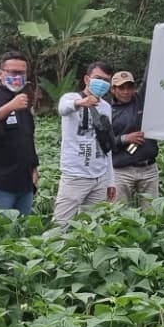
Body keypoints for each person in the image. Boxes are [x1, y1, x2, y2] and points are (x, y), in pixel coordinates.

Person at [0, 51, 40, 215]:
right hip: (0, 182)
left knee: (21, 231)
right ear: (1, 74)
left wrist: (34, 167)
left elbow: (27, 137)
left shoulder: (23, 100)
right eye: (13, 72)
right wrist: (10, 106)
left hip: (24, 182)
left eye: (22, 73)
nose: (18, 76)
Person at [54, 63, 117, 221]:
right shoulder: (71, 98)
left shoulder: (106, 107)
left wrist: (111, 180)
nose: (102, 83)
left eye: (106, 80)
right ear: (87, 79)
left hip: (100, 175)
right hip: (75, 174)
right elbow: (62, 108)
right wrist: (80, 103)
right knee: (61, 223)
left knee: (93, 225)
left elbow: (107, 146)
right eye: (98, 78)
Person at [108, 70, 159, 210]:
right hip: (122, 171)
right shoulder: (107, 111)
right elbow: (103, 141)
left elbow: (149, 76)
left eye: (129, 87)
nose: (126, 92)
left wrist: (157, 48)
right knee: (119, 214)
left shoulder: (141, 100)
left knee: (151, 213)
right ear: (113, 89)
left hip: (149, 169)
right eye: (121, 88)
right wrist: (125, 139)